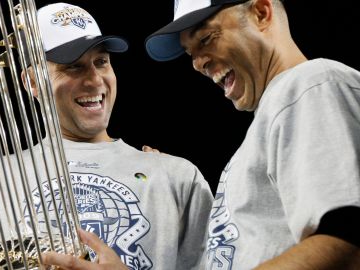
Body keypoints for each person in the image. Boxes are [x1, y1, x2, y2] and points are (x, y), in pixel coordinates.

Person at [0, 2, 213, 269]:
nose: (95, 80)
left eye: (101, 62)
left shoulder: (176, 177)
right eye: (74, 67)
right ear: (32, 82)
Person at [144, 0, 360, 269]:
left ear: (261, 13)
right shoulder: (275, 116)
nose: (197, 64)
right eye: (190, 53)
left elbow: (345, 241)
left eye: (207, 38)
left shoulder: (309, 84)